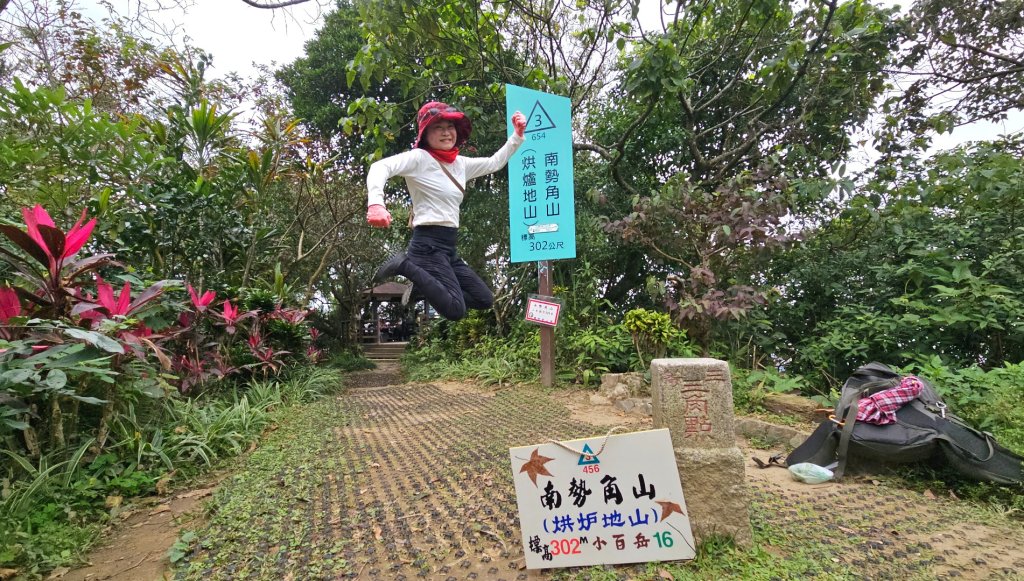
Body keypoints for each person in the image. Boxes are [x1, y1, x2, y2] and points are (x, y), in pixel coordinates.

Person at [366, 101, 527, 321]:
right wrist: (376, 203)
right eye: (438, 127)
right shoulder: (419, 158)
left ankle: (422, 287)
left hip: (448, 247)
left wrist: (516, 136)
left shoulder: (460, 164)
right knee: (455, 310)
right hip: (426, 246)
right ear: (425, 133)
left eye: (450, 127)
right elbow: (380, 167)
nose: (446, 133)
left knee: (484, 299)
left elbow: (493, 163)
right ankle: (403, 264)